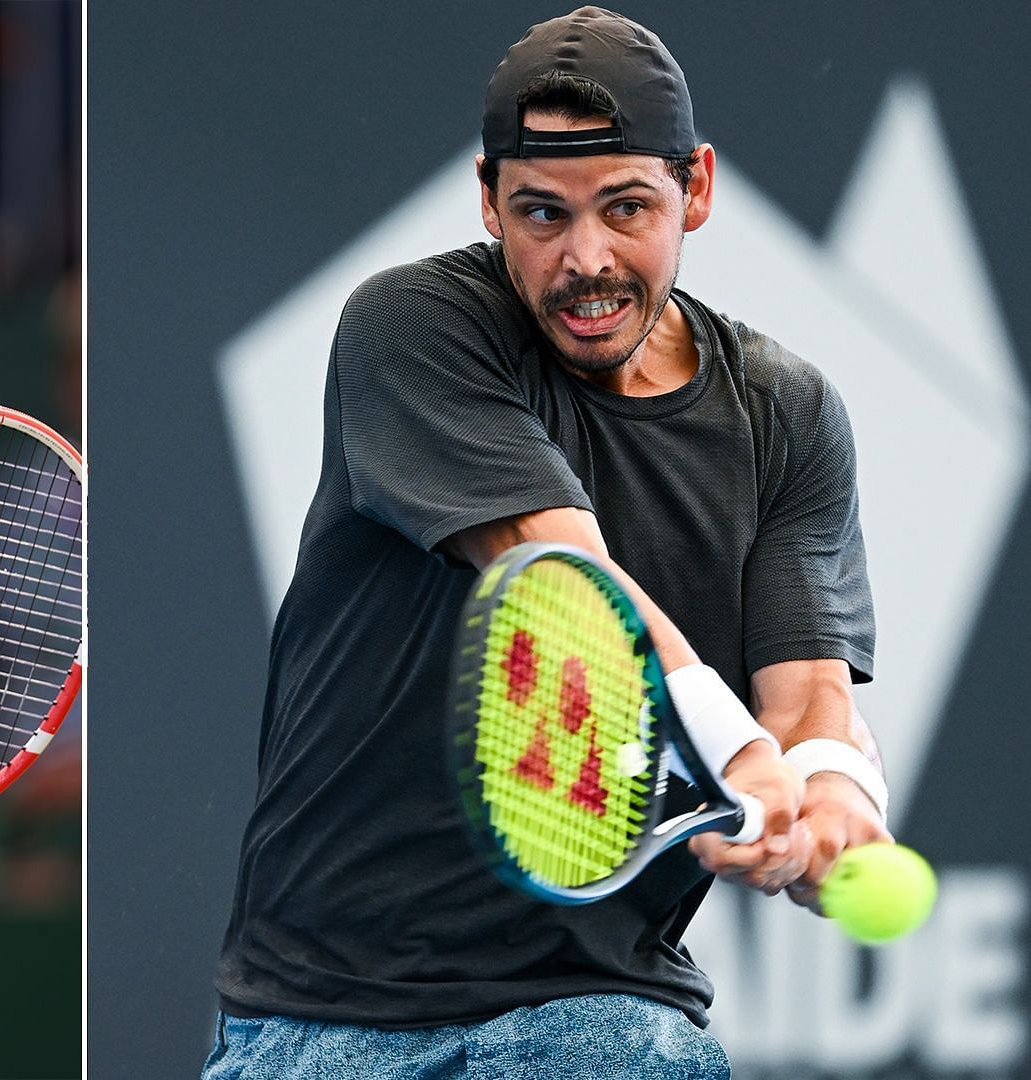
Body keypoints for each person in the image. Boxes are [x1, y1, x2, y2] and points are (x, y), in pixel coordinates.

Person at [207, 9, 890, 1078]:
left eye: (627, 209)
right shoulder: (413, 325)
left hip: (600, 1013)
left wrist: (833, 793)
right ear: (489, 201)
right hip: (327, 1019)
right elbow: (562, 577)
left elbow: (807, 696)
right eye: (541, 213)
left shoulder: (785, 413)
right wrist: (742, 755)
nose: (586, 261)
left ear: (695, 190)